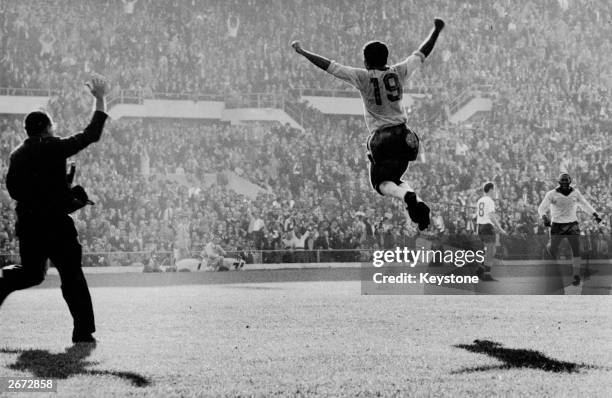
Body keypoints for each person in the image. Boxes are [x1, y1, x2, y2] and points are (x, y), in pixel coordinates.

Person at [291, 18, 445, 230]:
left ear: (366, 62)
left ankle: (408, 196)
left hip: (382, 138)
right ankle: (415, 203)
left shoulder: (362, 77)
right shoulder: (399, 72)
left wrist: (303, 51)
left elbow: (329, 66)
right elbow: (422, 52)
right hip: (407, 137)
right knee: (395, 178)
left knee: (379, 183)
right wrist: (436, 30)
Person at [0, 74, 110, 344]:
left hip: (29, 224)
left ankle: (2, 283)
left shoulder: (16, 155)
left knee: (32, 273)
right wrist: (100, 98)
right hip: (56, 225)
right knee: (72, 276)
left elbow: (13, 191)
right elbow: (91, 134)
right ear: (47, 127)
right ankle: (83, 332)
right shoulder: (55, 146)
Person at [537, 173, 602, 287]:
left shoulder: (575, 193)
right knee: (553, 250)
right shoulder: (551, 194)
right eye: (563, 183)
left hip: (572, 224)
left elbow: (584, 204)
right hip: (557, 225)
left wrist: (595, 214)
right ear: (559, 182)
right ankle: (551, 266)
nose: (565, 185)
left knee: (576, 249)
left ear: (570, 182)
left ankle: (576, 275)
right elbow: (542, 208)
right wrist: (544, 217)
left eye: (567, 182)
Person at [475, 182, 507, 281]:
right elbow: (491, 216)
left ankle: (480, 271)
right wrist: (500, 228)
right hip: (487, 227)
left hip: (480, 226)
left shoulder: (480, 200)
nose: (495, 191)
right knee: (491, 251)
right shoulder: (490, 201)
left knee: (490, 251)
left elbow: (483, 215)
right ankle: (486, 275)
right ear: (491, 190)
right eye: (494, 189)